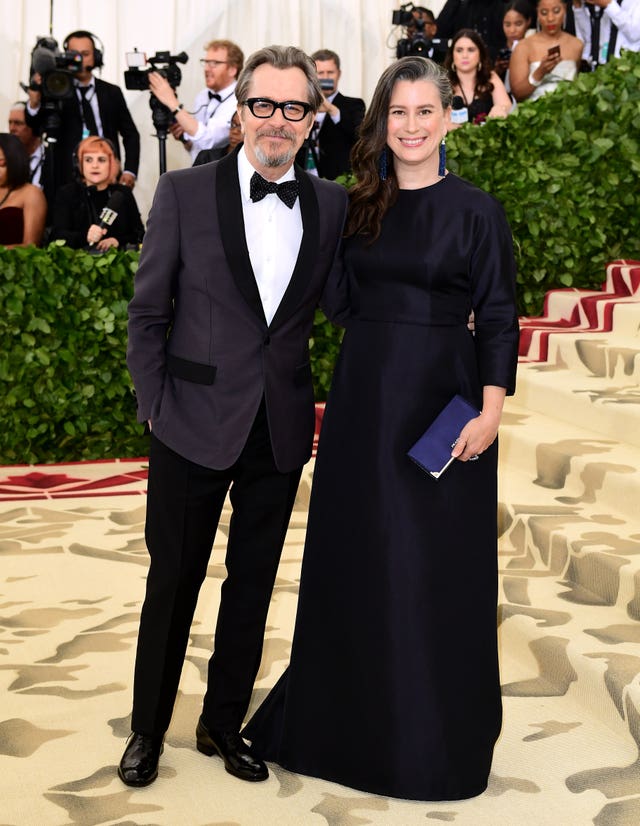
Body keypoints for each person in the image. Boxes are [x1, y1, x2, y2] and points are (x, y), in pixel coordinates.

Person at [243, 55, 519, 802]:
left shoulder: (477, 212)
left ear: (446, 118)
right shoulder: (357, 205)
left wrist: (491, 409)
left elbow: (497, 316)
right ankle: (343, 727)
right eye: (397, 113)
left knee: (431, 568)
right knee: (360, 557)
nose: (411, 125)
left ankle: (429, 738)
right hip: (366, 401)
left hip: (445, 409)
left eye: (424, 111)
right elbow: (336, 300)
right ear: (381, 124)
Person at [119, 44, 349, 789]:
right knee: (174, 579)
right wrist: (155, 408)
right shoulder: (185, 193)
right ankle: (148, 731)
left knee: (251, 585)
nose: (276, 121)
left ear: (313, 119)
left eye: (293, 108)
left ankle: (222, 723)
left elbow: (350, 305)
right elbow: (148, 313)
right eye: (263, 105)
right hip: (188, 421)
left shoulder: (333, 204)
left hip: (278, 428)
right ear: (240, 109)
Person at [26, 30, 140, 200]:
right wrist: (34, 101)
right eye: (74, 54)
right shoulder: (56, 89)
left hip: (108, 176)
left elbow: (130, 134)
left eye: (85, 54)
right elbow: (35, 127)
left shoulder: (111, 92)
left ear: (96, 56)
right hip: (66, 179)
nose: (79, 59)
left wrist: (130, 171)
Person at [149, 39, 244, 164]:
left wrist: (171, 101)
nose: (207, 69)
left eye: (214, 63)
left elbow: (208, 140)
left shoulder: (239, 100)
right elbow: (198, 146)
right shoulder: (202, 96)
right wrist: (186, 140)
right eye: (206, 62)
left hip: (223, 172)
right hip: (199, 169)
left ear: (232, 69)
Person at [49, 136, 143, 251]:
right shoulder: (67, 193)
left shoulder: (122, 193)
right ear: (79, 164)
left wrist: (118, 241)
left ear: (111, 163)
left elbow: (140, 235)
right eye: (88, 160)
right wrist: (85, 237)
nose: (95, 166)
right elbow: (56, 236)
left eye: (101, 160)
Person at [295, 49, 365, 180]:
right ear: (312, 76)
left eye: (330, 72)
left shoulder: (354, 105)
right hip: (302, 178)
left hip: (338, 181)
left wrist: (332, 109)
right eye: (320, 73)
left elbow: (360, 135)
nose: (326, 77)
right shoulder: (302, 106)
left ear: (338, 74)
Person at [510, 0, 583, 101]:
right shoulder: (523, 47)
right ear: (537, 12)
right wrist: (539, 73)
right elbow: (517, 94)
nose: (550, 18)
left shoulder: (577, 45)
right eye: (544, 13)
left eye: (556, 11)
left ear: (565, 10)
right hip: (533, 111)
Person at [445, 29, 512, 125]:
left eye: (471, 50)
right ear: (452, 54)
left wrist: (501, 109)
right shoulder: (443, 82)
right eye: (459, 50)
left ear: (480, 54)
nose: (465, 55)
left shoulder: (490, 76)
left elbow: (506, 105)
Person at [0, 133, 47, 247]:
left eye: (1, 164)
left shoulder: (31, 193)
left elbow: (31, 246)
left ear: (14, 161)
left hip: (16, 263)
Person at [437, 0, 509, 59]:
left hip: (495, 64)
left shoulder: (505, 5)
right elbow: (439, 33)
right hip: (461, 64)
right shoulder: (460, 4)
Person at [494, 1, 536, 84]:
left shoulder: (535, 48)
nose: (512, 30)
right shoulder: (497, 50)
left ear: (528, 21)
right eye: (507, 25)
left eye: (518, 24)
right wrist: (497, 71)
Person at [8, 102, 44, 188]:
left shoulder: (50, 158)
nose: (12, 128)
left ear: (34, 127)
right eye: (10, 122)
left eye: (18, 123)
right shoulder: (6, 158)